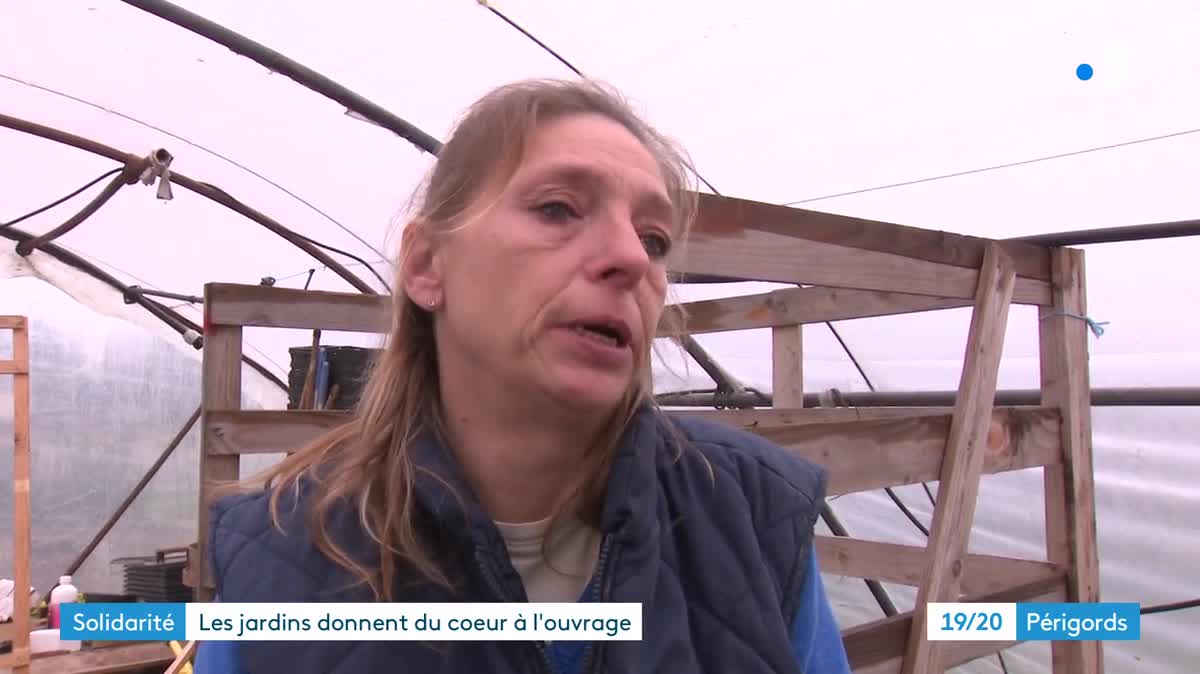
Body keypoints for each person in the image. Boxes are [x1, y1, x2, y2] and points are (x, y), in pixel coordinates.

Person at [193, 78, 851, 674]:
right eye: (559, 208)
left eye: (654, 240)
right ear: (427, 265)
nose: (631, 258)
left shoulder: (752, 515)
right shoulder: (280, 553)